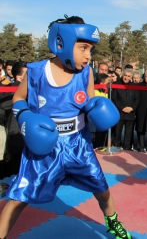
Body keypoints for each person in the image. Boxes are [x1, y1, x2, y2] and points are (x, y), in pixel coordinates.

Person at [0, 15, 132, 239]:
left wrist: (96, 109)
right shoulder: (36, 72)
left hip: (77, 144)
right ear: (62, 43)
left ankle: (113, 222)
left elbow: (89, 102)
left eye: (90, 49)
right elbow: (18, 99)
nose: (88, 55)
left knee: (102, 189)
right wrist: (24, 117)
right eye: (83, 48)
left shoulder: (86, 73)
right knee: (19, 197)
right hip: (44, 148)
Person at [112, 69, 140, 150]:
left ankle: (127, 149)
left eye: (128, 76)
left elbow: (137, 99)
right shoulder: (116, 84)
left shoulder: (134, 86)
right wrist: (122, 108)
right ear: (122, 75)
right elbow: (114, 98)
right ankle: (116, 148)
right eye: (125, 75)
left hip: (130, 113)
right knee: (117, 133)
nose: (126, 78)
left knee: (129, 134)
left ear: (130, 77)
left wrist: (132, 108)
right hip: (119, 113)